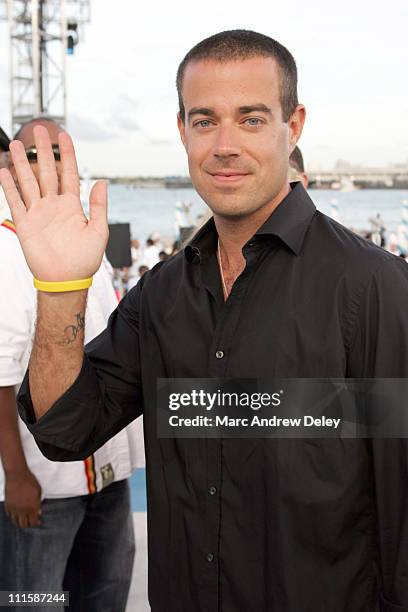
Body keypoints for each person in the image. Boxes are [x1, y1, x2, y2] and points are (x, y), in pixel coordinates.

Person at [1, 30, 408, 612]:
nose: (223, 145)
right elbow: (66, 428)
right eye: (203, 120)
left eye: (250, 119)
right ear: (182, 131)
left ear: (291, 128)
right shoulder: (162, 294)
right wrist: (60, 286)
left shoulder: (374, 289)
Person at [0, 118, 141, 612]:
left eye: (61, 151)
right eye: (37, 153)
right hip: (43, 482)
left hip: (107, 470)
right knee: (32, 599)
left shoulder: (85, 236)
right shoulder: (4, 245)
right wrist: (14, 475)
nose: (54, 164)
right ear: (14, 161)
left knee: (104, 596)